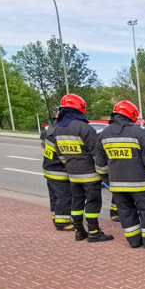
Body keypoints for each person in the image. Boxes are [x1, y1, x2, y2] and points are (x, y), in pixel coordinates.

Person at [94, 101, 145, 249]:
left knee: (126, 212)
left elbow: (100, 164)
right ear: (131, 115)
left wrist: (106, 180)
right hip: (142, 184)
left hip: (117, 185)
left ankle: (134, 241)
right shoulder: (139, 133)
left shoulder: (103, 135)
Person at [52, 94, 114, 243]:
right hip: (90, 174)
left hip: (73, 174)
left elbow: (60, 154)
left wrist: (70, 164)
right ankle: (94, 232)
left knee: (77, 202)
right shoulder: (84, 128)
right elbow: (96, 152)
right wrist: (103, 171)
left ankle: (79, 231)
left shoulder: (58, 129)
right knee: (93, 202)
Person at [41, 121, 72, 231]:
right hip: (58, 170)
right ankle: (62, 223)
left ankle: (56, 217)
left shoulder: (51, 132)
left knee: (54, 196)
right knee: (64, 196)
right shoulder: (59, 135)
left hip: (49, 169)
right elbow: (63, 155)